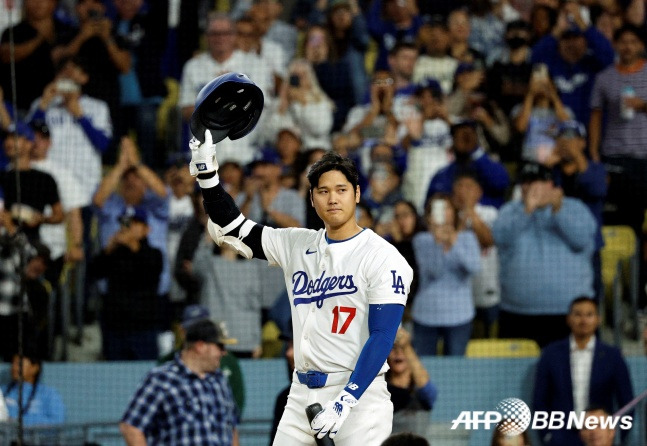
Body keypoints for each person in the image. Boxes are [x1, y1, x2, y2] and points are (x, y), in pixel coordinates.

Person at [190, 129, 413, 444]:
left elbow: (382, 335)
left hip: (360, 398)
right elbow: (233, 227)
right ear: (312, 198)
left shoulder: (383, 256)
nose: (332, 198)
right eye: (323, 191)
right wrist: (208, 176)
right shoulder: (296, 243)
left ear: (357, 194)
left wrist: (346, 400)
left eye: (341, 189)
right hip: (301, 393)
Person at [493, 163, 596, 347]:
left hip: (569, 314)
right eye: (523, 182)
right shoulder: (510, 211)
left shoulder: (575, 208)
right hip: (518, 313)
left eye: (534, 181)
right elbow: (501, 238)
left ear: (551, 185)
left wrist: (558, 210)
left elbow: (581, 239)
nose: (527, 187)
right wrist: (527, 211)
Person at [120, 319, 239, 445]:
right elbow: (130, 427)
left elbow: (232, 428)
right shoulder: (161, 379)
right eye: (220, 346)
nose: (224, 352)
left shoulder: (219, 380)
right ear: (200, 346)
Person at [533, 297, 634, 445]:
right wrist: (547, 435)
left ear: (598, 319)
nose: (583, 320)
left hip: (599, 437)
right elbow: (540, 400)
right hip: (561, 437)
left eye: (589, 314)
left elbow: (626, 402)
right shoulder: (551, 354)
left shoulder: (613, 356)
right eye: (578, 314)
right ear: (568, 319)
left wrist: (618, 436)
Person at [411, 194, 481, 356]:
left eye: (447, 207)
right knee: (425, 368)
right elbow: (433, 271)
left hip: (459, 315)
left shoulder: (467, 238)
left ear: (454, 212)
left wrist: (453, 242)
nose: (443, 212)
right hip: (426, 315)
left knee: (455, 370)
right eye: (437, 208)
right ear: (429, 216)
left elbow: (474, 268)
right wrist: (438, 242)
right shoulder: (421, 240)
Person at [91, 207, 163, 360]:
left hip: (144, 328)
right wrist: (108, 249)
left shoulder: (154, 254)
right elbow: (93, 273)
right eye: (125, 223)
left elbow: (148, 274)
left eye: (134, 223)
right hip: (116, 328)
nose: (128, 227)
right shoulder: (114, 253)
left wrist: (132, 245)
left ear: (146, 229)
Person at [158, 304, 246, 417]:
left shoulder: (226, 364)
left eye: (202, 329)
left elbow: (235, 409)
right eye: (192, 329)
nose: (198, 334)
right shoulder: (164, 366)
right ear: (182, 331)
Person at [425, 119, 510, 209]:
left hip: (488, 220)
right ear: (453, 140)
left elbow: (502, 183)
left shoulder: (488, 165)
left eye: (468, 134)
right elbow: (429, 206)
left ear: (476, 137)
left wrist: (475, 151)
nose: (464, 138)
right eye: (458, 135)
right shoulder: (443, 174)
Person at [4, 349, 65, 425]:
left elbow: (57, 422)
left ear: (34, 368)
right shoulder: (4, 391)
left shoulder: (49, 394)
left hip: (37, 436)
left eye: (19, 364)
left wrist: (19, 422)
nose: (14, 367)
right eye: (13, 363)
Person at [386, 327, 437, 414]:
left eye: (402, 349)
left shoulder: (419, 393)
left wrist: (406, 346)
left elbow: (427, 391)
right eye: (393, 348)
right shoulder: (381, 388)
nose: (398, 352)